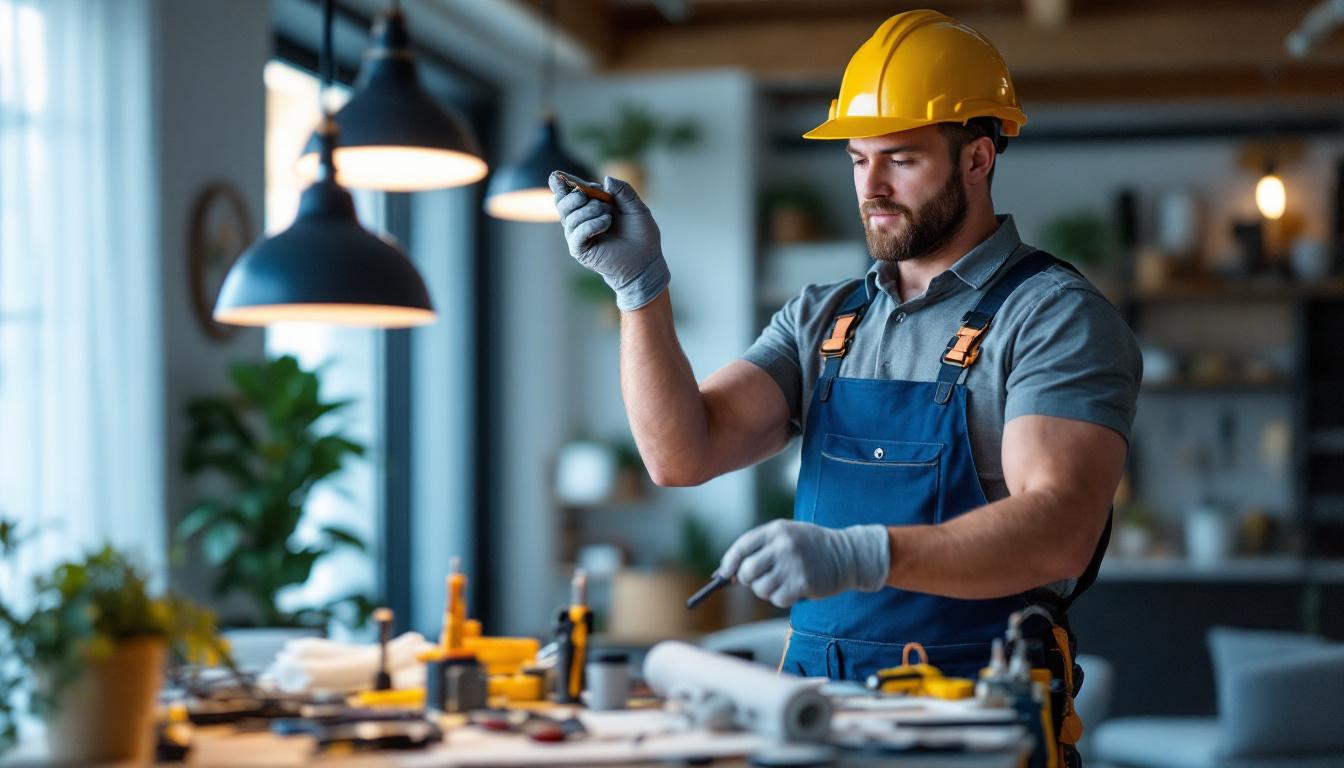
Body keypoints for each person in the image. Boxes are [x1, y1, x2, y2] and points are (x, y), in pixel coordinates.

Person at [549, 10, 1140, 762]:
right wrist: (638, 288)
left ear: (978, 159)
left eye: (901, 159)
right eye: (859, 160)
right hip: (814, 722)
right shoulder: (824, 317)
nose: (873, 187)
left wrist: (860, 555)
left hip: (975, 725)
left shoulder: (1054, 316)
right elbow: (680, 454)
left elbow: (1060, 531)